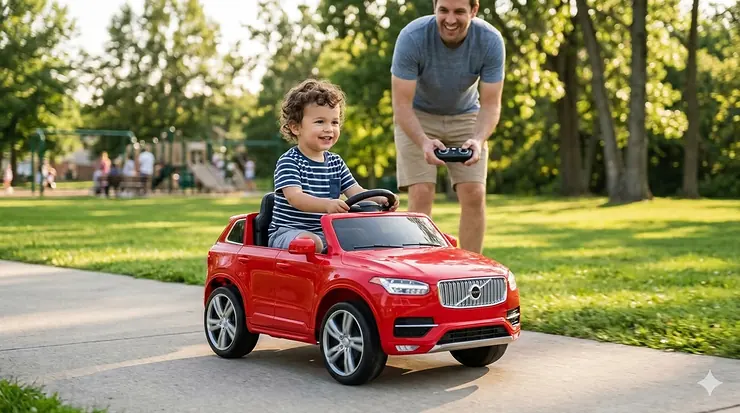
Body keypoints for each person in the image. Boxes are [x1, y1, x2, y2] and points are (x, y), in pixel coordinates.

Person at [390, 0, 506, 254]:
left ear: (473, 11)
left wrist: (478, 140)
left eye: (459, 12)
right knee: (421, 192)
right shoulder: (412, 37)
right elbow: (401, 105)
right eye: (443, 10)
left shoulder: (490, 41)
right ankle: (417, 269)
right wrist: (423, 141)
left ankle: (472, 270)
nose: (450, 20)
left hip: (466, 115)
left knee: (474, 192)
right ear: (434, 7)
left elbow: (490, 105)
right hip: (417, 116)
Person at [268, 79, 399, 253]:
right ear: (295, 127)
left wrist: (381, 199)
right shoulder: (289, 161)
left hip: (328, 232)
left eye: (334, 122)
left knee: (369, 237)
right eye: (320, 122)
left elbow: (356, 192)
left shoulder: (336, 163)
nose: (329, 129)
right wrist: (327, 205)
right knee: (311, 242)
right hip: (290, 233)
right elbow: (296, 198)